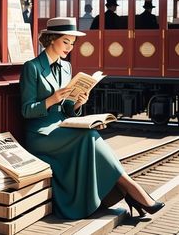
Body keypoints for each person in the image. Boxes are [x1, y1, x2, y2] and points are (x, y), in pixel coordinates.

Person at [20, 17, 164, 220]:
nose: (69, 47)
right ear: (52, 39)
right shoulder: (32, 67)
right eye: (65, 42)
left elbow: (68, 109)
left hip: (61, 127)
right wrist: (51, 99)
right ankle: (132, 190)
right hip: (41, 134)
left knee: (91, 134)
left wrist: (78, 102)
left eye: (72, 43)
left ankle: (130, 190)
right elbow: (26, 110)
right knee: (89, 138)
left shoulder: (67, 67)